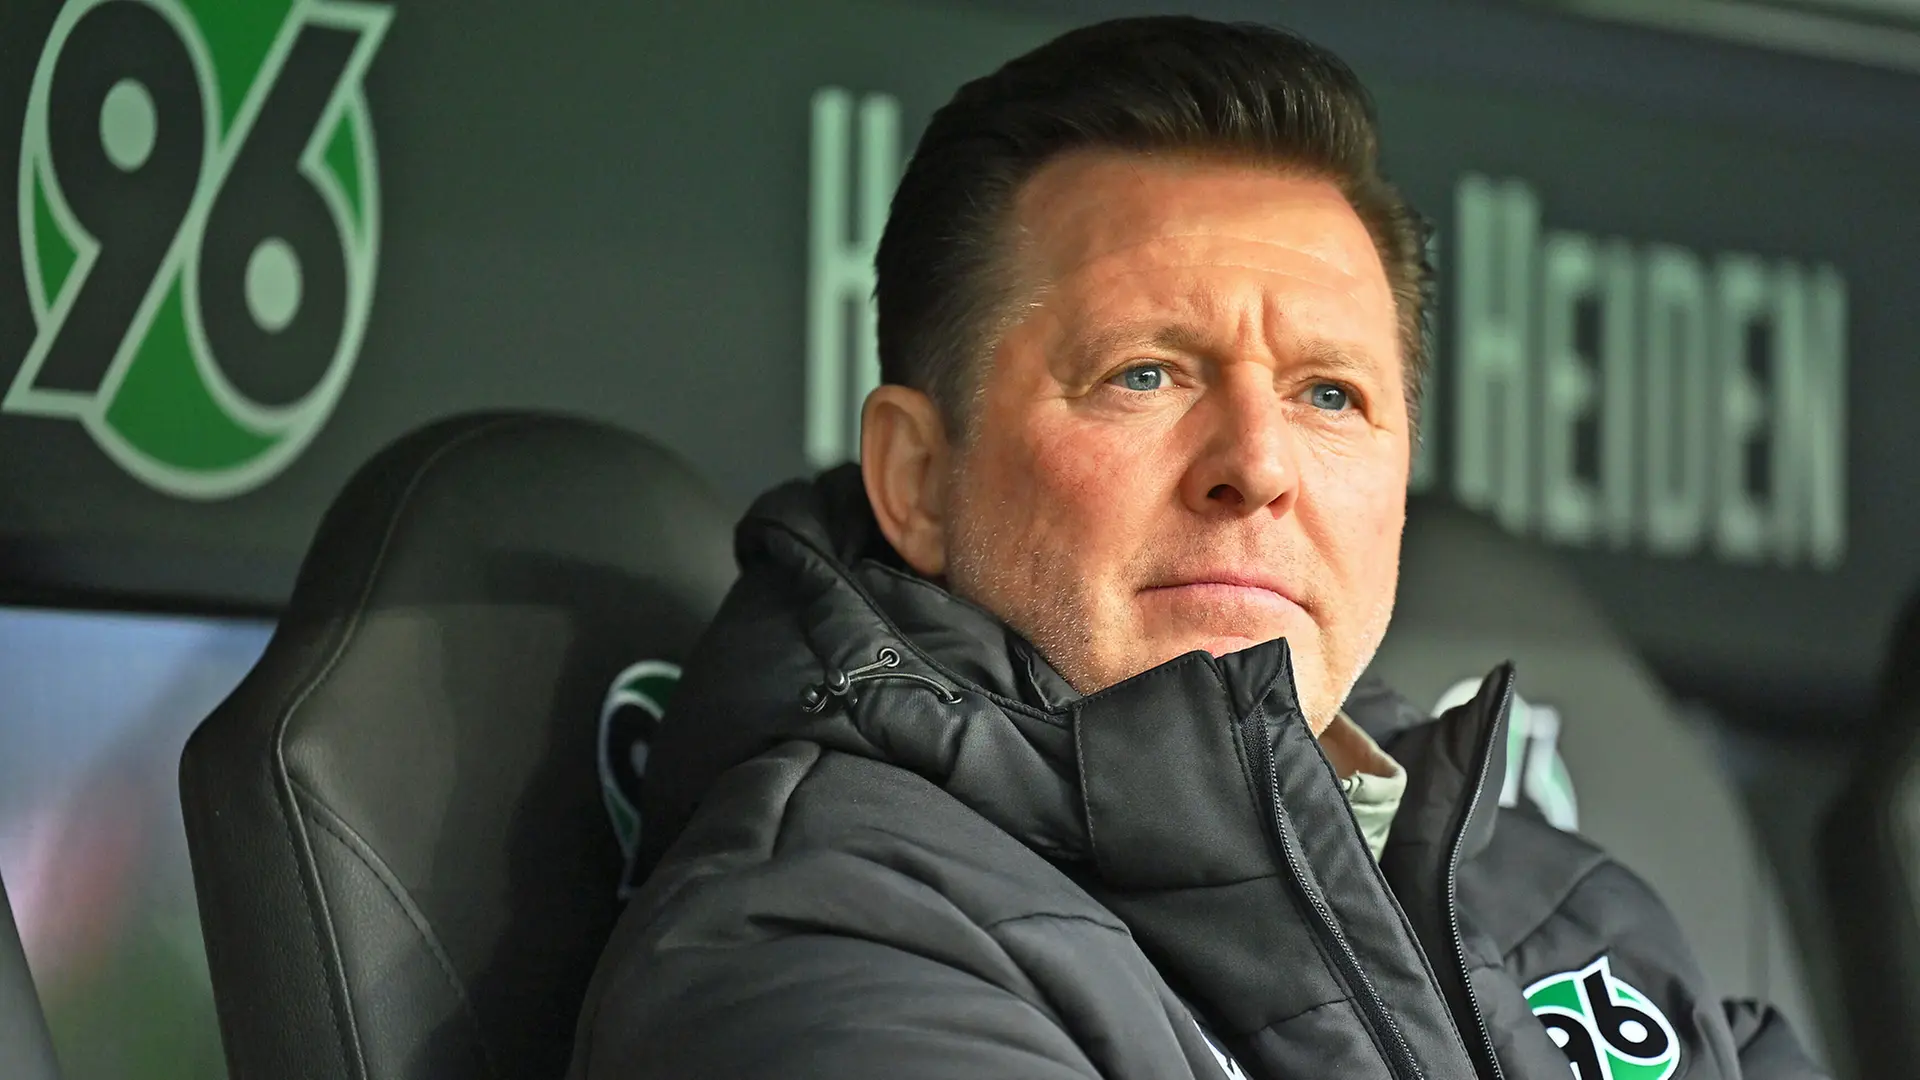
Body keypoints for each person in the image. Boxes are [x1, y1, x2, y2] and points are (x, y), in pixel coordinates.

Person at [569, 16, 1825, 1079]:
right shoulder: (827, 940)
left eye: (1329, 394)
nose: (1258, 465)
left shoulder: (1560, 906)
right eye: (1146, 373)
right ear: (917, 479)